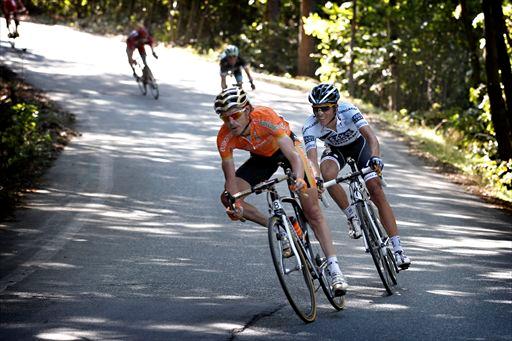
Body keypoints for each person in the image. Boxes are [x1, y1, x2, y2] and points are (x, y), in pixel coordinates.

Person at [215, 86, 348, 296]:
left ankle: (334, 269)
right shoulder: (224, 138)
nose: (231, 122)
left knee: (312, 211)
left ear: (248, 110)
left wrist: (298, 179)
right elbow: (230, 179)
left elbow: (294, 156)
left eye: (235, 115)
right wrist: (235, 206)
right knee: (228, 198)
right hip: (261, 159)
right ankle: (279, 227)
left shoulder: (265, 117)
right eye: (225, 118)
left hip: (287, 151)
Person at [302, 83, 411, 269]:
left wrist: (375, 157)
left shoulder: (349, 110)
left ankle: (398, 248)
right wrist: (316, 179)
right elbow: (312, 159)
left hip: (359, 146)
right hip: (336, 150)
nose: (320, 113)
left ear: (335, 107)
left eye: (325, 108)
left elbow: (371, 138)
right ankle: (352, 216)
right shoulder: (310, 126)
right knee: (327, 175)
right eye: (316, 109)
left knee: (376, 190)